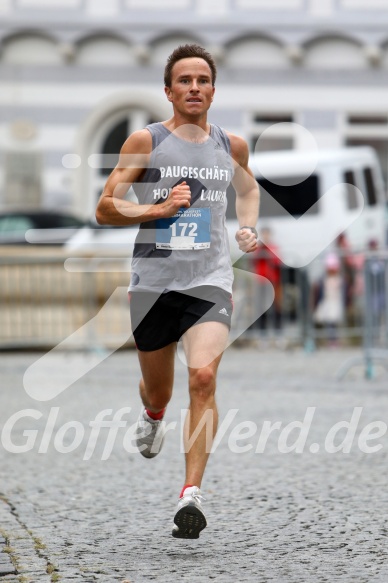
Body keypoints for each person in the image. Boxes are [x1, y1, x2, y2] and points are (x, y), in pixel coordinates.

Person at [95, 44, 260, 539]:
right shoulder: (145, 141)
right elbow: (105, 207)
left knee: (204, 377)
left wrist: (247, 229)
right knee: (161, 388)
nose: (194, 88)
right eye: (184, 80)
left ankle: (191, 494)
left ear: (213, 89)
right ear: (168, 91)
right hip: (154, 282)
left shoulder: (231, 145)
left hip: (209, 278)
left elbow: (248, 190)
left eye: (202, 80)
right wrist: (156, 211)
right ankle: (152, 412)